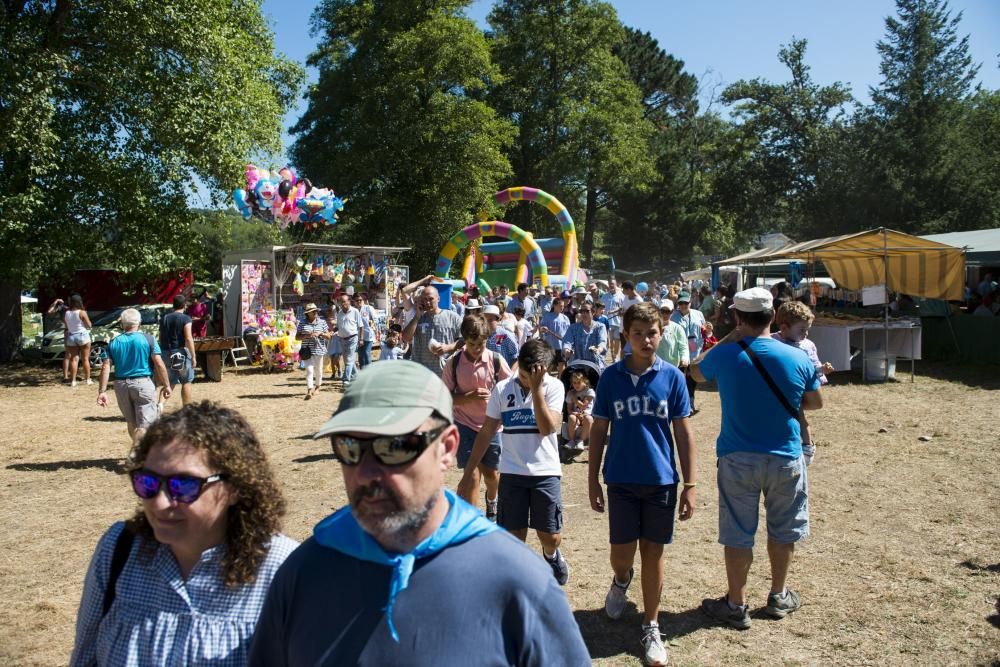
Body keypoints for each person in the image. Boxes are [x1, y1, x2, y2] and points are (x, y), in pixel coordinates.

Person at [248, 361, 589, 665]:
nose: (366, 473)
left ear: (447, 448)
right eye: (350, 447)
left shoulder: (517, 580)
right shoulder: (304, 575)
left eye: (394, 446)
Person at [70, 402, 298, 666]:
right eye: (148, 482)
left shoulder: (285, 569)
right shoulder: (119, 549)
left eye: (184, 485)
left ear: (235, 488)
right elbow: (85, 658)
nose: (160, 502)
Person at [690, 287, 823, 630]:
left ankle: (736, 603)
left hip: (737, 457)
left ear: (737, 317)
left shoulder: (727, 354)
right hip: (785, 456)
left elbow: (696, 371)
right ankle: (778, 595)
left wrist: (726, 339)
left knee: (738, 532)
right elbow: (814, 402)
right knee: (783, 529)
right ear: (773, 316)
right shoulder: (797, 357)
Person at [588, 302, 697, 667]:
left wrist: (691, 483)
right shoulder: (610, 378)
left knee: (654, 552)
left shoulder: (673, 378)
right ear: (626, 336)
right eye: (638, 334)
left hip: (661, 480)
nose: (646, 340)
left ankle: (651, 624)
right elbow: (599, 429)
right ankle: (621, 580)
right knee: (622, 554)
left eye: (652, 333)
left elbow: (683, 432)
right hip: (620, 478)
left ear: (661, 334)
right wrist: (592, 480)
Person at [458, 340, 570, 586]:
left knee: (550, 536)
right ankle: (520, 580)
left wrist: (538, 391)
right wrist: (468, 473)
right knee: (513, 536)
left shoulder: (555, 387)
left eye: (531, 377)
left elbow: (547, 427)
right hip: (512, 472)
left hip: (545, 472)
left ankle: (551, 556)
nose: (525, 381)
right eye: (522, 374)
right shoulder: (502, 388)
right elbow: (486, 432)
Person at [444, 315, 512, 520]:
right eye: (472, 344)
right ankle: (472, 523)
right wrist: (467, 398)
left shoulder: (495, 360)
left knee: (492, 475)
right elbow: (443, 396)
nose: (477, 348)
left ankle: (492, 501)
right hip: (464, 424)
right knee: (472, 475)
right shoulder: (454, 362)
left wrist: (496, 398)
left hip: (491, 426)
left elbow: (510, 390)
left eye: (481, 344)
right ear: (464, 340)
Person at [96, 308, 172, 451]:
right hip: (143, 384)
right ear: (139, 322)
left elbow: (106, 366)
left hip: (121, 385)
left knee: (131, 422)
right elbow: (159, 363)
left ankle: (140, 452)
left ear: (122, 323)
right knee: (145, 424)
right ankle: (137, 452)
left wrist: (102, 391)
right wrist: (166, 384)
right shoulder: (148, 339)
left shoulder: (113, 342)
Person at [772, 301, 834, 464]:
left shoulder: (808, 346)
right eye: (801, 330)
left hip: (796, 389)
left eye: (807, 330)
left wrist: (822, 369)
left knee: (799, 416)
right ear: (784, 328)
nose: (805, 334)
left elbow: (813, 367)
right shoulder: (772, 341)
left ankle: (807, 445)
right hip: (775, 389)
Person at [401, 285, 463, 376]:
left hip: (445, 373)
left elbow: (465, 340)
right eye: (424, 299)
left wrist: (449, 347)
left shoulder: (453, 317)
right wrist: (417, 317)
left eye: (431, 299)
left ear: (438, 299)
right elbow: (405, 338)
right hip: (421, 373)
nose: (427, 302)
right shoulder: (418, 318)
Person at [670, 291, 705, 414]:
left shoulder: (699, 314)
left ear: (690, 302)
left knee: (692, 379)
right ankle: (681, 404)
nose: (684, 305)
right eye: (681, 303)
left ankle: (690, 403)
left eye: (686, 302)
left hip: (696, 352)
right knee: (680, 379)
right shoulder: (673, 317)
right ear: (678, 304)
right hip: (679, 353)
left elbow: (704, 331)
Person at [159, 294, 197, 407]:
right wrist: (193, 356)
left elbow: (161, 337)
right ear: (185, 305)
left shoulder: (164, 318)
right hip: (179, 353)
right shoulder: (186, 318)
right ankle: (187, 409)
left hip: (165, 352)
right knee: (186, 380)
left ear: (173, 305)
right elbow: (188, 338)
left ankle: (160, 406)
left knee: (169, 382)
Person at [297, 302, 332, 400]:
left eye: (316, 311)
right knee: (309, 370)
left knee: (318, 370)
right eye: (313, 311)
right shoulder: (302, 323)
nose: (315, 312)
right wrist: (307, 335)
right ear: (308, 313)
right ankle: (309, 389)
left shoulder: (322, 322)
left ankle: (318, 387)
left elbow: (329, 336)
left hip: (319, 349)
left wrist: (320, 334)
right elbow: (297, 337)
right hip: (306, 350)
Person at [562, 302, 608, 371]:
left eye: (587, 311)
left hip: (595, 367)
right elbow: (567, 342)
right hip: (577, 367)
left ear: (593, 312)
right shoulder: (573, 327)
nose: (584, 313)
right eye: (582, 311)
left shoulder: (600, 327)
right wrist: (567, 351)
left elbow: (602, 342)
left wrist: (598, 349)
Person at [64, 294, 94, 387]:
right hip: (82, 336)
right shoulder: (82, 312)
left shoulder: (67, 313)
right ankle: (88, 379)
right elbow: (89, 325)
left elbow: (66, 326)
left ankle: (73, 381)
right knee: (85, 359)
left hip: (71, 336)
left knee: (74, 359)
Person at [335, 293, 364, 385]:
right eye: (341, 302)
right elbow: (338, 326)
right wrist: (332, 331)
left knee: (350, 360)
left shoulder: (355, 311)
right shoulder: (339, 313)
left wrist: (361, 339)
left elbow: (361, 326)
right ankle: (358, 377)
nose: (343, 304)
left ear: (349, 301)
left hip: (353, 338)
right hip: (342, 339)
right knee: (348, 361)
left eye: (344, 301)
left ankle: (345, 379)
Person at [565, 369, 595, 452]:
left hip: (586, 416)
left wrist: (573, 397)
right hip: (576, 416)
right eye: (574, 383)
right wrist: (573, 413)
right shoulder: (570, 393)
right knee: (571, 417)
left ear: (584, 381)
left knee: (589, 419)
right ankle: (571, 440)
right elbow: (569, 409)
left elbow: (583, 406)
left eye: (579, 382)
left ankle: (580, 441)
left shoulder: (589, 391)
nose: (576, 385)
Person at [655, 300, 689, 369]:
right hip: (655, 366)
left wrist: (684, 358)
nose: (665, 314)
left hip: (672, 367)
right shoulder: (652, 327)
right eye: (662, 311)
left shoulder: (677, 328)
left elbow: (683, 346)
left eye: (668, 312)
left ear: (672, 312)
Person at [602, 280, 625, 360]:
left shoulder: (621, 296)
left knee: (617, 340)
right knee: (610, 341)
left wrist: (619, 311)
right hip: (607, 322)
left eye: (612, 284)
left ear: (616, 285)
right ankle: (612, 355)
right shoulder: (604, 296)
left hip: (618, 322)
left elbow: (623, 308)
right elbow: (601, 307)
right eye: (609, 284)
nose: (611, 285)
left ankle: (615, 356)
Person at [355, 293, 378, 369]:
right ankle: (362, 372)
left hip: (368, 335)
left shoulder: (368, 308)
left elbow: (376, 319)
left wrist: (372, 322)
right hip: (358, 336)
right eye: (357, 300)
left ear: (363, 300)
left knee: (366, 353)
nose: (358, 302)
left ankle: (369, 371)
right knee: (360, 354)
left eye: (360, 300)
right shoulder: (354, 310)